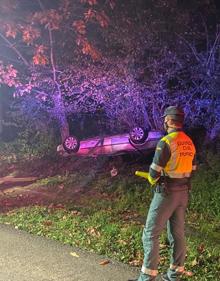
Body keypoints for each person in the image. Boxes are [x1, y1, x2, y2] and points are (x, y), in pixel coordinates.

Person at [131, 106, 196, 281]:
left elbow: (154, 172)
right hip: (183, 193)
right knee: (177, 233)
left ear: (167, 121)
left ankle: (147, 278)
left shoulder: (166, 142)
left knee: (151, 233)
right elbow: (193, 168)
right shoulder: (189, 142)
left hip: (166, 194)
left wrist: (153, 178)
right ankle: (174, 275)